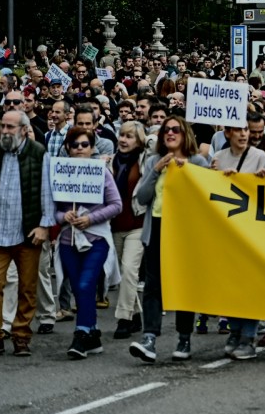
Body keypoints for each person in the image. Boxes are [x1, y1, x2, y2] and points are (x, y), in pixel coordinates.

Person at [0, 110, 54, 359]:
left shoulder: (39, 154)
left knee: (27, 288)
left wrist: (44, 226)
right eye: (3, 127)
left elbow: (47, 193)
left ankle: (21, 337)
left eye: (10, 127)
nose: (5, 131)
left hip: (28, 232)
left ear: (24, 129)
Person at [129, 114, 209, 364]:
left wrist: (192, 172)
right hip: (157, 228)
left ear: (186, 134)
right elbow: (141, 198)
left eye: (176, 129)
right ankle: (150, 338)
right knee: (153, 286)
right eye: (166, 130)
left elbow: (207, 196)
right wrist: (156, 170)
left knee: (184, 285)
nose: (170, 133)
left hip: (185, 232)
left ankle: (184, 337)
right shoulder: (154, 159)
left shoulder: (198, 161)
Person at [50, 127, 122, 359]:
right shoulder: (59, 172)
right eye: (75, 145)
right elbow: (53, 209)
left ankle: (80, 334)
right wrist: (64, 217)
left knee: (84, 285)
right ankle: (92, 334)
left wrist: (90, 218)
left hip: (96, 239)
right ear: (68, 148)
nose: (80, 149)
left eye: (84, 145)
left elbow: (116, 204)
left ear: (92, 148)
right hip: (68, 241)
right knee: (82, 290)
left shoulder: (102, 173)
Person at [110, 122, 148, 340]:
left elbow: (154, 142)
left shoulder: (145, 160)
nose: (124, 140)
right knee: (122, 275)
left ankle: (123, 319)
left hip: (137, 223)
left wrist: (145, 138)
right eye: (122, 135)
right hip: (115, 224)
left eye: (130, 136)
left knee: (128, 270)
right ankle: (135, 314)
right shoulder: (111, 161)